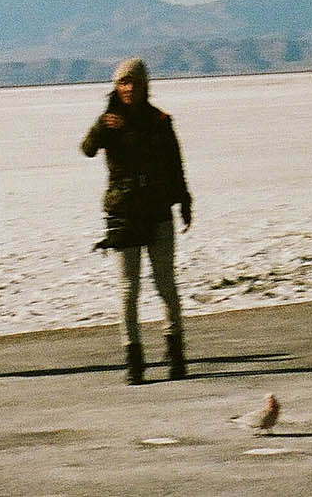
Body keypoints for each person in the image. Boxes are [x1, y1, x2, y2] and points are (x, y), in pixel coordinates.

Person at [80, 58, 192, 384]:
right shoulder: (110, 122)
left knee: (165, 285)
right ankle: (134, 360)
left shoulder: (160, 121)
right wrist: (102, 125)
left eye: (134, 82)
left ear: (145, 85)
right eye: (122, 83)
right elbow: (87, 149)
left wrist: (184, 201)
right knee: (128, 290)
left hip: (157, 211)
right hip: (123, 214)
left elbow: (176, 165)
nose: (128, 88)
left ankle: (176, 356)